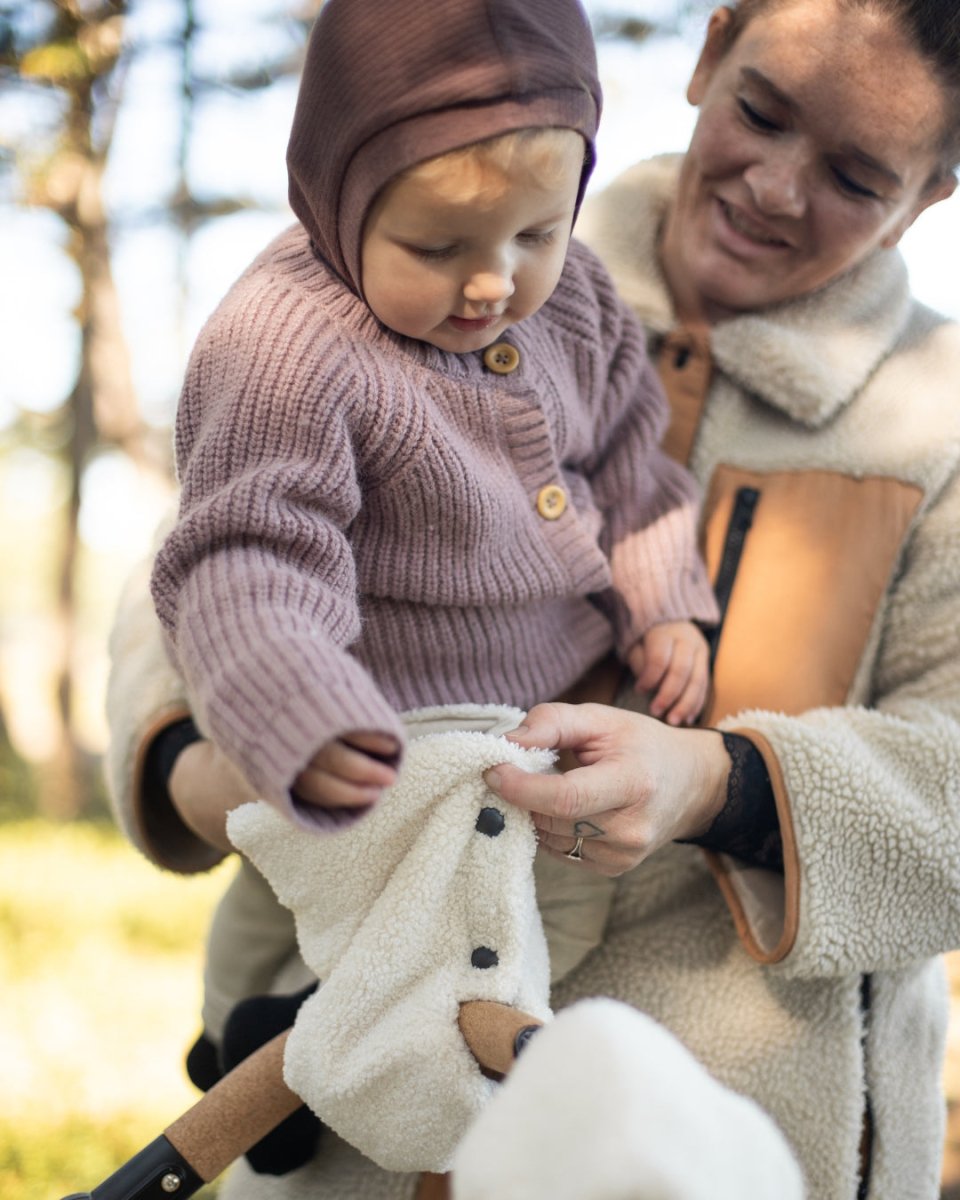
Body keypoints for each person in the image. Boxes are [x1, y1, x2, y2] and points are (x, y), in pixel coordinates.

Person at [104, 0, 960, 1195]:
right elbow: (223, 542)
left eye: (857, 178)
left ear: (931, 196)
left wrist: (716, 778)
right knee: (285, 955)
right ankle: (271, 1052)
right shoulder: (413, 258)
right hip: (358, 1083)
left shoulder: (932, 414)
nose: (774, 186)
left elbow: (645, 497)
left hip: (724, 1134)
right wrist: (195, 756)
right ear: (710, 51)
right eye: (762, 113)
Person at [123, 0, 719, 1117]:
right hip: (374, 728)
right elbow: (252, 550)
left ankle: (372, 1069)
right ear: (339, 202)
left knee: (525, 931)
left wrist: (664, 604)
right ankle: (244, 1052)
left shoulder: (581, 301)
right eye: (438, 248)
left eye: (536, 234)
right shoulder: (289, 340)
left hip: (534, 731)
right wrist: (297, 706)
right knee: (292, 901)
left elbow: (635, 467)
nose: (494, 283)